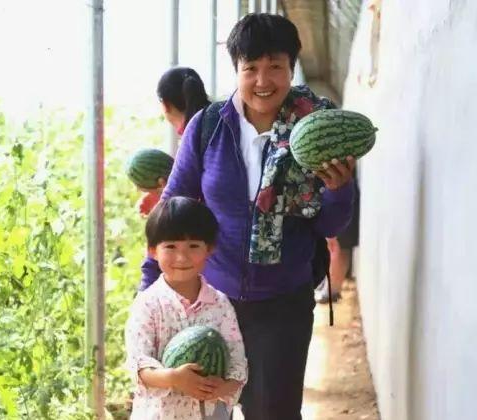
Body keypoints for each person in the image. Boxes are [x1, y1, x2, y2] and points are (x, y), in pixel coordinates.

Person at [140, 13, 356, 420]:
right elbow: (172, 211)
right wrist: (149, 290)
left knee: (272, 412)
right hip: (209, 301)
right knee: (202, 410)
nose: (263, 80)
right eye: (250, 68)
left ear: (291, 68)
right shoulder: (208, 127)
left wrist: (339, 189)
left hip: (283, 306)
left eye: (275, 67)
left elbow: (329, 226)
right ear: (236, 69)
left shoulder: (315, 132)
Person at [125, 197, 247, 419]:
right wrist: (173, 377)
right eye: (170, 246)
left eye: (193, 246)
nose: (182, 257)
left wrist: (223, 387)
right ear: (152, 250)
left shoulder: (220, 304)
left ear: (209, 249)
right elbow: (138, 365)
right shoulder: (147, 304)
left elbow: (237, 363)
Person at [136, 67, 212, 216]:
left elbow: (201, 197)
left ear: (165, 105)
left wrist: (166, 200)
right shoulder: (219, 122)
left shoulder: (195, 137)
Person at [317, 171, 360, 304]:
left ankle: (332, 290)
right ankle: (330, 284)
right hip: (331, 186)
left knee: (339, 245)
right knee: (332, 244)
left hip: (339, 187)